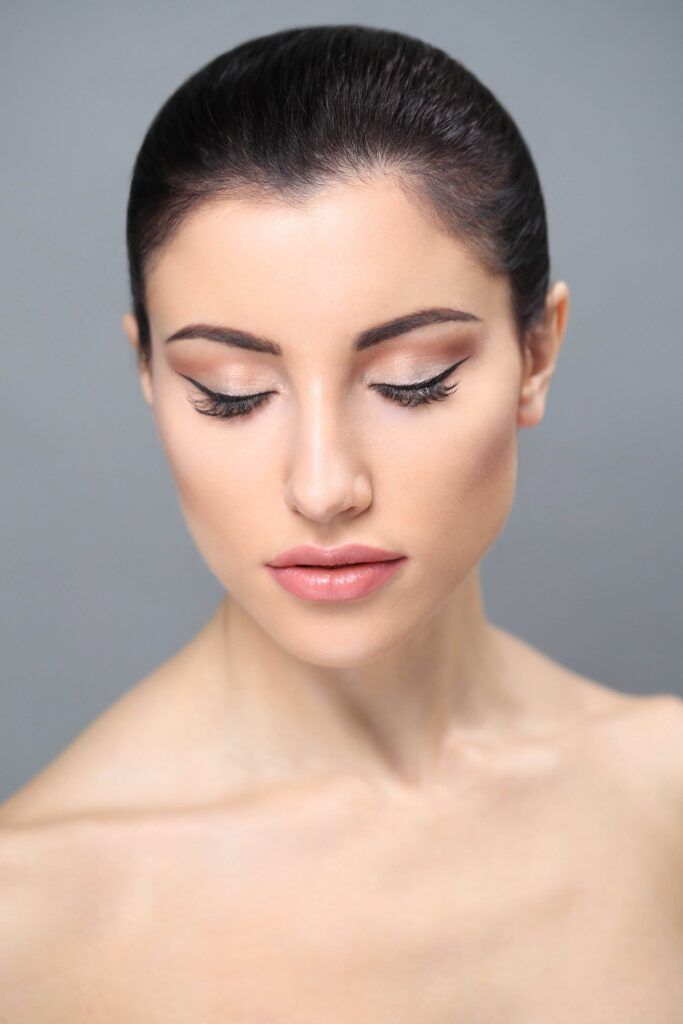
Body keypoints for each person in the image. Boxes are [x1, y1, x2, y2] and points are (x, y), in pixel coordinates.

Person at [1, 23, 682, 1021]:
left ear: (536, 352)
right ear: (146, 371)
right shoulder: (29, 919)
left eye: (413, 381)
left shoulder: (664, 798)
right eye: (230, 392)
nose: (323, 487)